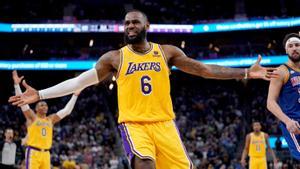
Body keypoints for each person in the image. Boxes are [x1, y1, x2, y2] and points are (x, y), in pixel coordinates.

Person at [9, 10, 277, 169]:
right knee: (144, 164)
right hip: (134, 125)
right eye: (126, 23)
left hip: (166, 125)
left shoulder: (167, 52)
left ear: (147, 26)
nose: (130, 27)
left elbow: (204, 69)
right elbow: (79, 82)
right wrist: (40, 94)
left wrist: (244, 72)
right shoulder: (114, 58)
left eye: (135, 22)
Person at [11, 70, 81, 169]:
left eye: (46, 105)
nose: (44, 106)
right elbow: (22, 103)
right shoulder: (32, 117)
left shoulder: (50, 119)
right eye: (41, 104)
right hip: (33, 152)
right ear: (36, 108)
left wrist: (75, 95)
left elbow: (66, 111)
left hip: (46, 153)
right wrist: (17, 85)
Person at [267, 33, 300, 160]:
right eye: (290, 46)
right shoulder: (281, 71)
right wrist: (287, 121)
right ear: (286, 50)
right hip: (294, 123)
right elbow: (270, 102)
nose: (294, 48)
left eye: (297, 45)